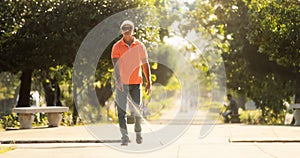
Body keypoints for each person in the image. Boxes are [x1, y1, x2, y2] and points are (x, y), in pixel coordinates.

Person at [111, 20, 152, 146]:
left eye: (129, 29)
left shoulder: (140, 46)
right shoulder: (116, 47)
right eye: (124, 29)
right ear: (122, 31)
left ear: (133, 30)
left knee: (137, 110)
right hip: (122, 83)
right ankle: (124, 137)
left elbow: (145, 64)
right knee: (121, 111)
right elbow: (116, 65)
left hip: (136, 82)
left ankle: (138, 132)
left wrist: (148, 82)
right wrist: (118, 81)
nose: (127, 31)